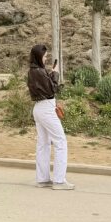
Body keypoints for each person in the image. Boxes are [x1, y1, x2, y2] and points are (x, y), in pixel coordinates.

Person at [26, 44, 72, 190]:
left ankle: (43, 179)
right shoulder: (39, 71)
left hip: (39, 109)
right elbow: (53, 89)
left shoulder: (32, 71)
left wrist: (51, 74)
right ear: (39, 56)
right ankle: (59, 181)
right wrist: (55, 74)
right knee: (60, 142)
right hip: (46, 109)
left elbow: (46, 88)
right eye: (44, 56)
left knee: (43, 144)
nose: (46, 59)